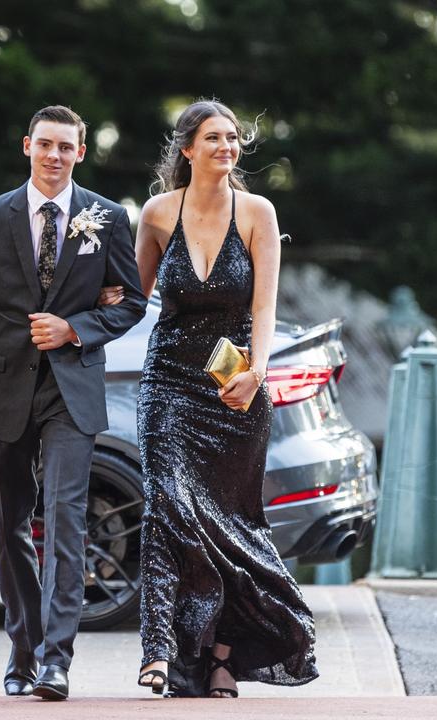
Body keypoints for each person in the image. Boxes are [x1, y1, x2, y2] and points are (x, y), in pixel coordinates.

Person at [0, 106, 146, 700]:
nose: (55, 156)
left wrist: (75, 328)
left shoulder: (107, 216)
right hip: (3, 388)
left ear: (80, 153)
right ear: (28, 146)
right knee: (8, 523)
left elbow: (131, 304)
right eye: (45, 145)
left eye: (66, 148)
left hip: (72, 389)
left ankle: (57, 661)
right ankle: (22, 647)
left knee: (68, 518)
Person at [121, 99, 318, 698]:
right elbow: (133, 298)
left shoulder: (258, 211)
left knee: (228, 525)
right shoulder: (157, 214)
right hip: (170, 382)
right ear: (187, 148)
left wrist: (257, 372)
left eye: (233, 139)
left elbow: (263, 307)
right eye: (214, 138)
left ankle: (221, 661)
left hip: (235, 389)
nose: (227, 148)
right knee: (167, 506)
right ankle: (160, 650)